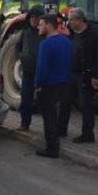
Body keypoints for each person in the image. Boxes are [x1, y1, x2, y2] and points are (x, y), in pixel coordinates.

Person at [58, 7, 98, 143]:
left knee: (86, 105)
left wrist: (96, 77)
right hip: (71, 73)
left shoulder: (96, 35)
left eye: (71, 20)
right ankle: (61, 130)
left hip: (86, 75)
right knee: (65, 102)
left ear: (80, 20)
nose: (69, 23)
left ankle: (87, 134)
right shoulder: (72, 34)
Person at [35, 14, 73, 158]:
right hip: (64, 83)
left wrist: (38, 84)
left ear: (49, 26)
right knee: (59, 114)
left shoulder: (45, 44)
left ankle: (52, 148)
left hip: (49, 85)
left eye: (41, 24)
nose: (38, 27)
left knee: (49, 117)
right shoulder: (67, 42)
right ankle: (58, 137)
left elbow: (42, 68)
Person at [15, 5, 44, 131]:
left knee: (44, 100)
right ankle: (24, 123)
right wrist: (21, 57)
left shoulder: (44, 33)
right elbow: (18, 47)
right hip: (27, 70)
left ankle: (48, 127)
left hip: (41, 71)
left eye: (36, 17)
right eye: (32, 17)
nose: (34, 20)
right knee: (26, 97)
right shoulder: (25, 33)